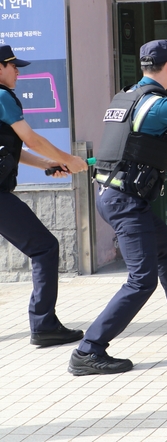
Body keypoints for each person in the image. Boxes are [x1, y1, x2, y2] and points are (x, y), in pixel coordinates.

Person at [70, 40, 167, 376]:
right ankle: (89, 349)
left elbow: (129, 147)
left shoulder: (126, 98)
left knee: (164, 246)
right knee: (141, 280)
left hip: (112, 193)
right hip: (125, 201)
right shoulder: (162, 106)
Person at [0, 45, 89, 347]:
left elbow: (12, 148)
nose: (18, 72)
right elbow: (32, 138)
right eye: (13, 66)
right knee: (45, 248)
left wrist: (49, 163)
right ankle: (44, 325)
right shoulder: (2, 97)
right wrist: (70, 158)